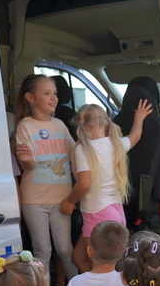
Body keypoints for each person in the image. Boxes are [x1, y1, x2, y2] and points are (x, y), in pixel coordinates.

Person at [60, 102, 152, 272]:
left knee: (98, 269)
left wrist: (69, 201)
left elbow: (84, 184)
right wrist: (139, 117)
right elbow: (135, 136)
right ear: (106, 122)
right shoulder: (116, 144)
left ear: (83, 126)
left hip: (96, 215)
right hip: (115, 213)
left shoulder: (83, 149)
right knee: (78, 258)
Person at [14, 74, 78, 285]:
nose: (54, 98)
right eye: (47, 93)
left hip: (62, 199)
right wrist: (27, 161)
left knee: (65, 249)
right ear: (30, 98)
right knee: (43, 250)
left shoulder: (60, 125)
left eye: (55, 93)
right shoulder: (25, 126)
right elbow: (28, 165)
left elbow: (75, 155)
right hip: (34, 200)